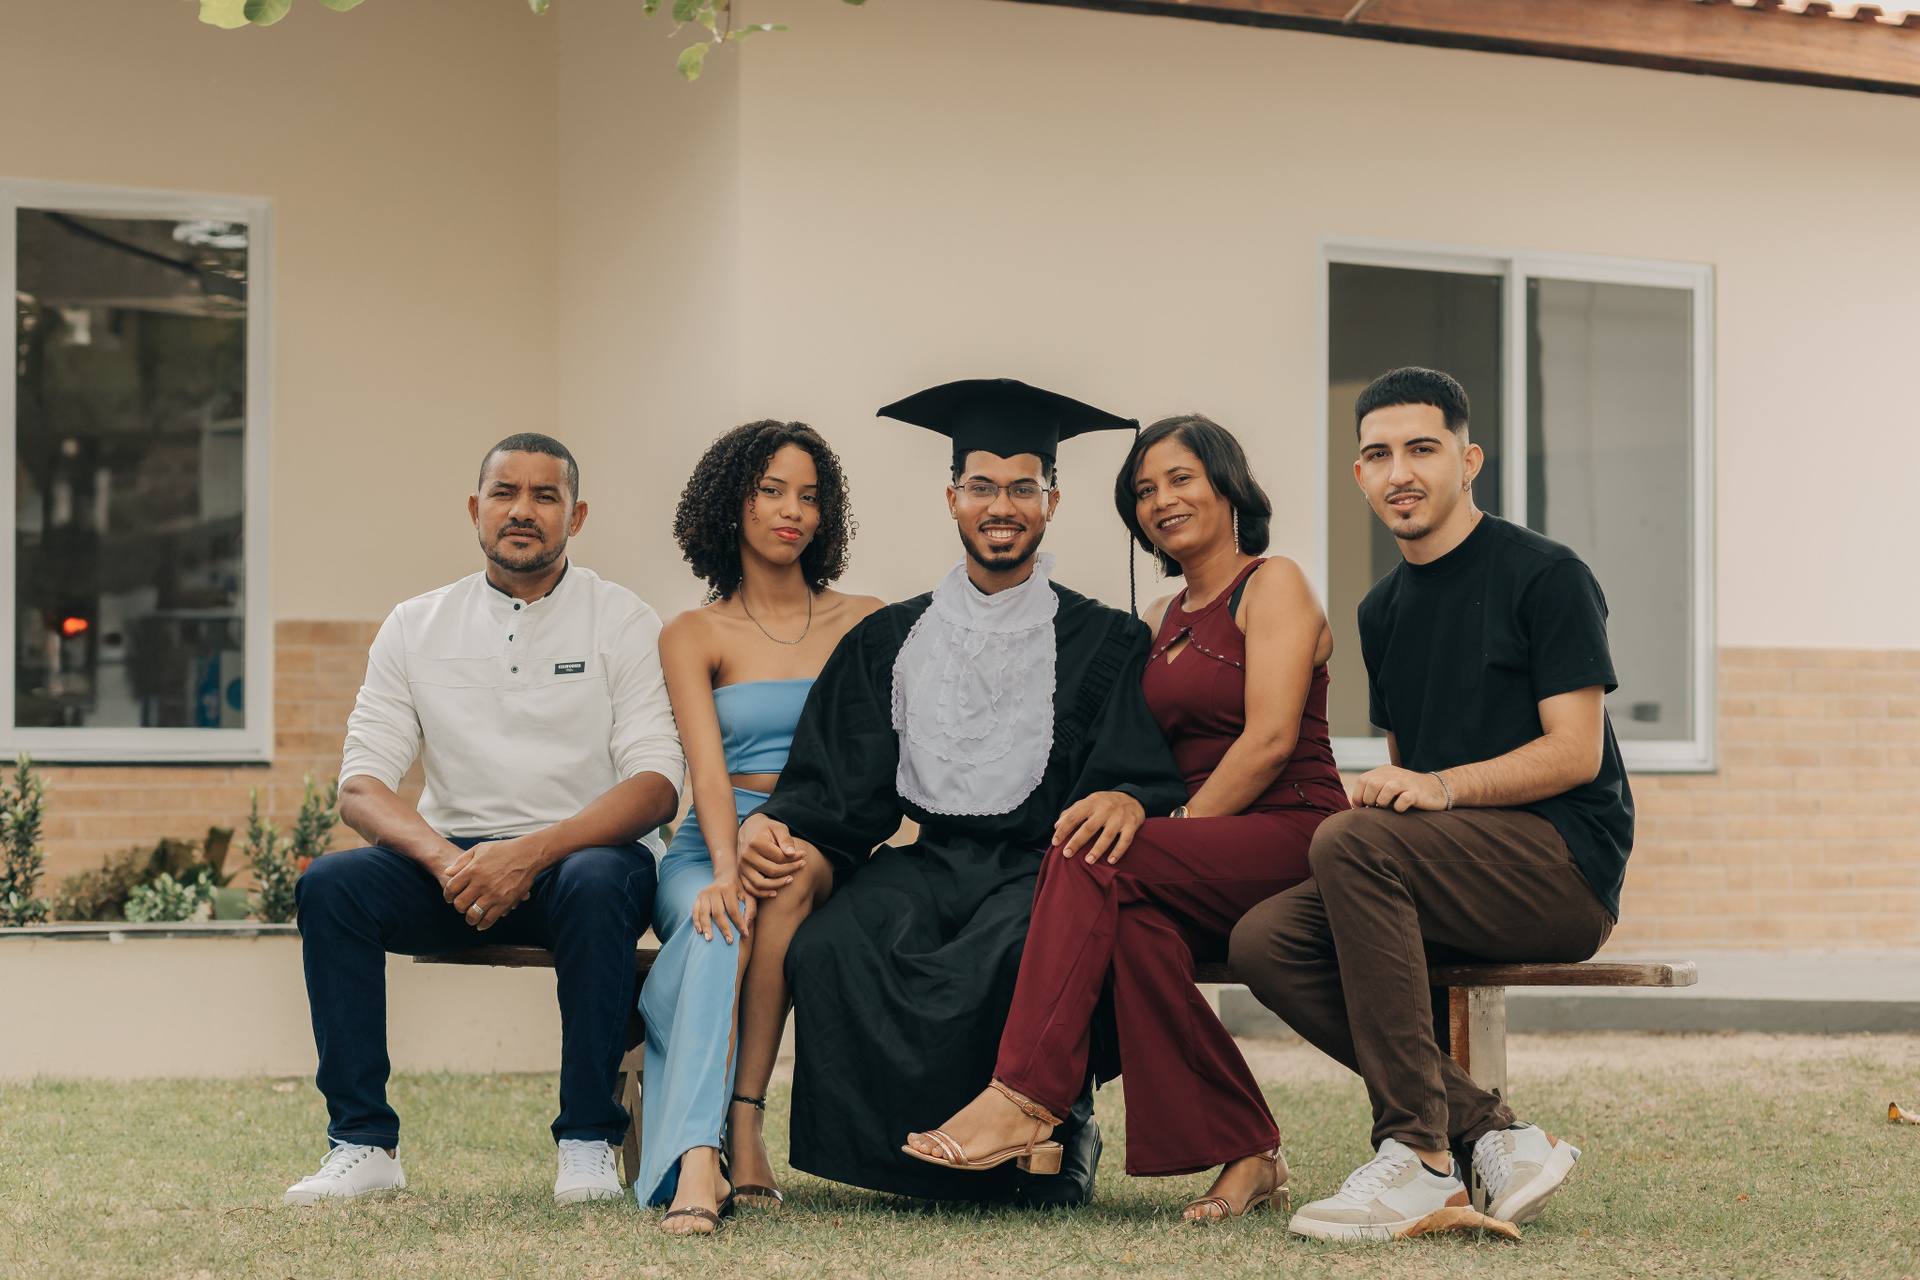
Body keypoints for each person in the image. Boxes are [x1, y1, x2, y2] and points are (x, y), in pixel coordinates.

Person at [734, 378, 1190, 1205]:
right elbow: (838, 789)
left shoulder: (1105, 639)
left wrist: (1128, 795)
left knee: (1015, 952)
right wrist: (777, 824)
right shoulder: (893, 638)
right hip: (929, 862)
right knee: (835, 942)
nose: (1001, 506)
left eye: (1022, 488)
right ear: (953, 499)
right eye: (982, 486)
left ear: (1051, 503)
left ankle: (1053, 1135)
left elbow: (1133, 773)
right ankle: (897, 1159)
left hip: (1044, 868)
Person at [905, 413, 1350, 1223]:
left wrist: (1171, 828)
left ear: (1228, 486)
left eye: (1181, 479)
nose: (1161, 500)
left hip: (1294, 828)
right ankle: (1251, 1149)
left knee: (1094, 859)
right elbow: (1135, 753)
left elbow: (1269, 741)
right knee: (1134, 930)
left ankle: (1026, 1095)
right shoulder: (1158, 618)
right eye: (1144, 491)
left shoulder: (1272, 582)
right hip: (1203, 848)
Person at [1229, 367, 1634, 1240]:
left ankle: (1418, 1154)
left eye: (1422, 449)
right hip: (1454, 871)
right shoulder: (1382, 611)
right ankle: (1494, 1133)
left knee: (1351, 841)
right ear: (1359, 474)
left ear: (1468, 460)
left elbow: (1576, 750)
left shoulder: (1546, 574)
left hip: (1562, 868)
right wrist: (1408, 796)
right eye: (1378, 455)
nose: (1399, 472)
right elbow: (1406, 776)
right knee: (1267, 939)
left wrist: (1441, 789)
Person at [284, 434, 683, 1208]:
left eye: (545, 495)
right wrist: (448, 861)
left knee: (600, 878)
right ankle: (363, 1143)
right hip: (456, 867)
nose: (522, 510)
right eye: (505, 492)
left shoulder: (623, 619)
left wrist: (528, 855)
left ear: (577, 516)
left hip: (584, 859)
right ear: (476, 509)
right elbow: (360, 786)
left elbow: (656, 785)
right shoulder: (416, 623)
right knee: (332, 886)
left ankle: (588, 1142)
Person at [642, 421, 882, 1235]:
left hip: (820, 831)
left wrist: (783, 829)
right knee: (724, 919)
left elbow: (876, 757)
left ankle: (736, 1123)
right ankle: (702, 1154)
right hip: (710, 841)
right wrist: (722, 865)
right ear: (729, 504)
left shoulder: (866, 621)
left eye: (809, 497)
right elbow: (707, 775)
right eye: (771, 491)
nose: (792, 511)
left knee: (783, 879)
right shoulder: (693, 632)